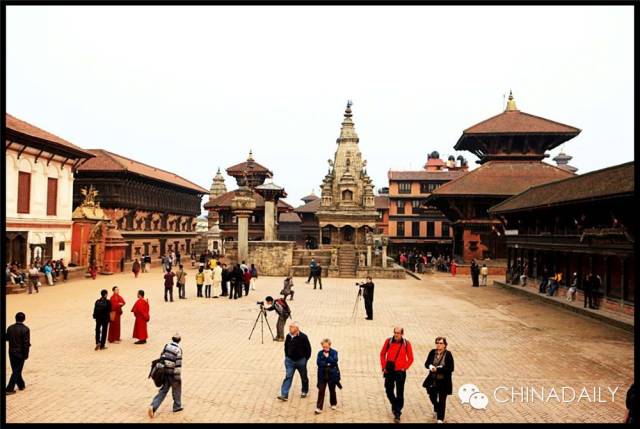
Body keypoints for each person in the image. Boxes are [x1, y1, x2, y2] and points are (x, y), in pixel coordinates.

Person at [380, 327, 414, 423]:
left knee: (400, 393)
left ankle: (397, 413)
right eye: (395, 332)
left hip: (400, 372)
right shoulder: (388, 341)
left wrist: (404, 368)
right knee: (388, 390)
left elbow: (411, 358)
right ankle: (395, 405)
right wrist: (383, 366)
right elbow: (382, 354)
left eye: (398, 333)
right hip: (389, 370)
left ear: (402, 334)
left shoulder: (406, 343)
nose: (396, 334)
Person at [149, 333, 183, 417]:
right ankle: (177, 406)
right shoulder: (178, 350)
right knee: (177, 389)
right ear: (179, 340)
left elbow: (162, 357)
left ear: (172, 339)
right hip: (172, 373)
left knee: (163, 390)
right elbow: (178, 365)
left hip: (165, 372)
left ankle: (153, 406)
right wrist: (177, 378)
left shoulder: (166, 346)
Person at [423, 337, 455, 423]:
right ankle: (436, 407)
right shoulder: (432, 352)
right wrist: (430, 366)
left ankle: (440, 419)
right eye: (437, 343)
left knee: (442, 400)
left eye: (440, 343)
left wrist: (438, 369)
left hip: (443, 381)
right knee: (432, 395)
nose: (438, 345)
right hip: (433, 380)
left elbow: (451, 368)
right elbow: (426, 363)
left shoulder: (448, 354)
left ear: (445, 345)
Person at [277, 322, 311, 401]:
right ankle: (284, 395)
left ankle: (304, 391)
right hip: (290, 361)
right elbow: (286, 347)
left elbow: (308, 349)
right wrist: (287, 356)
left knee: (304, 377)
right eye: (290, 327)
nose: (289, 328)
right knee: (288, 376)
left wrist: (305, 359)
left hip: (301, 361)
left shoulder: (303, 337)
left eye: (291, 327)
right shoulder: (288, 336)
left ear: (297, 328)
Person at [5, 312, 31, 395]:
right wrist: (26, 355)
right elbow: (26, 344)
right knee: (16, 371)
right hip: (20, 353)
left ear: (15, 318)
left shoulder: (10, 328)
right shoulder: (26, 329)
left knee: (16, 370)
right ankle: (9, 389)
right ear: (24, 319)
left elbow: (7, 338)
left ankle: (21, 385)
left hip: (11, 352)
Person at [315, 338, 341, 414]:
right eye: (323, 347)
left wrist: (327, 357)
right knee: (321, 391)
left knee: (332, 390)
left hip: (332, 375)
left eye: (326, 347)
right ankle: (319, 407)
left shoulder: (334, 352)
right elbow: (318, 363)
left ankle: (333, 403)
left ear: (329, 345)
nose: (325, 348)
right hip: (322, 375)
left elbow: (334, 361)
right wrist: (327, 363)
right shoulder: (320, 353)